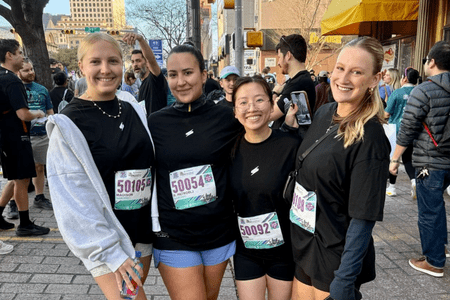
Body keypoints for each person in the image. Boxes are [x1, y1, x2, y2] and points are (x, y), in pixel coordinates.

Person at [46, 33, 157, 299]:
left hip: (141, 232)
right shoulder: (67, 125)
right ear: (81, 66)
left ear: (123, 65)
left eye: (113, 61)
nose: (105, 70)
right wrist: (112, 253)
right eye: (95, 62)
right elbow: (73, 201)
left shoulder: (131, 106)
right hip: (107, 242)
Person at [288, 36, 390, 300]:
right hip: (304, 243)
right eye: (340, 68)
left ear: (374, 80)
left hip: (334, 256)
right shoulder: (325, 112)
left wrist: (344, 280)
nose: (343, 79)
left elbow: (363, 217)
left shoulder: (370, 137)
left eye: (357, 72)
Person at [148, 44, 242, 300]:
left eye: (188, 73)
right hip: (173, 234)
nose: (180, 82)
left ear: (203, 75)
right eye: (173, 74)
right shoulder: (155, 123)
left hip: (218, 232)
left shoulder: (227, 117)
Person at [229, 76, 300, 300]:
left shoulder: (291, 146)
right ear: (234, 110)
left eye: (259, 100)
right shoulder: (229, 149)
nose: (252, 108)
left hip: (284, 252)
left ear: (272, 104)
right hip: (246, 251)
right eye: (243, 102)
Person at [390, 41, 450, 278]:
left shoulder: (423, 90)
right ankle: (441, 249)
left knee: (429, 210)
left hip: (429, 162)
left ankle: (434, 262)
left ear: (432, 62)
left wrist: (394, 159)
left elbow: (408, 129)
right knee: (437, 207)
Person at [0, 39, 50, 237]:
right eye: (19, 52)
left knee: (14, 179)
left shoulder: (2, 77)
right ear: (9, 55)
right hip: (15, 137)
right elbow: (23, 114)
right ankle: (25, 224)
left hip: (6, 137)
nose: (22, 56)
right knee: (22, 179)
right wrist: (39, 113)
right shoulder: (12, 80)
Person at [17, 58, 54, 210]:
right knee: (20, 173)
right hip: (21, 137)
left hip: (41, 136)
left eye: (31, 69)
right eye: (26, 70)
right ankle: (13, 202)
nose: (31, 72)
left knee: (39, 167)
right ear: (18, 72)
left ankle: (39, 196)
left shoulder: (42, 90)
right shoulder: (15, 88)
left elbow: (50, 112)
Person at [384, 67, 420, 198]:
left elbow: (386, 113)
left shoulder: (397, 93)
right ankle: (414, 181)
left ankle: (392, 187)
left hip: (397, 130)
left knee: (394, 158)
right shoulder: (420, 92)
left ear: (404, 79)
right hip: (416, 130)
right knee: (408, 158)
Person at [269, 34, 316, 135]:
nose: (278, 63)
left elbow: (270, 114)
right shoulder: (298, 80)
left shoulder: (299, 83)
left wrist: (275, 92)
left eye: (279, 57)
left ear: (288, 55)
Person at [123, 33, 167, 115]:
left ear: (147, 63)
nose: (135, 64)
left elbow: (151, 60)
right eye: (133, 62)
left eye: (138, 61)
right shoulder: (142, 85)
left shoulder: (154, 79)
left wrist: (140, 39)